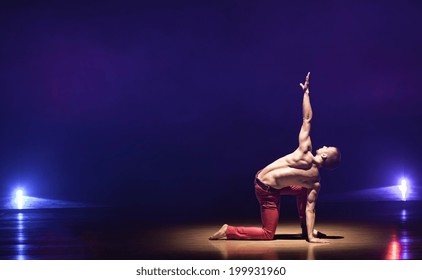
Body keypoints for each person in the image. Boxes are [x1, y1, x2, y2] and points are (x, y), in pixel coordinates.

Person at [209, 72, 340, 243]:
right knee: (268, 234)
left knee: (301, 191)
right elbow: (311, 209)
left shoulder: (304, 151)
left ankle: (305, 229)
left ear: (323, 155)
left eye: (327, 147)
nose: (324, 145)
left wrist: (306, 93)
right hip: (265, 188)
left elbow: (307, 119)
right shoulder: (314, 181)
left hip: (269, 183)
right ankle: (229, 231)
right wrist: (306, 94)